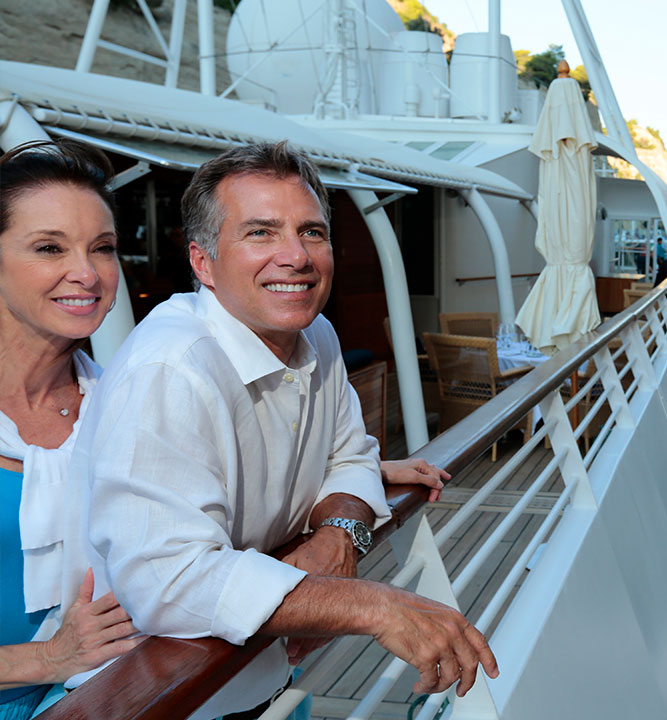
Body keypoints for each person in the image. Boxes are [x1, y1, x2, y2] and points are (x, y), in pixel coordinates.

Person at [71, 142, 496, 718]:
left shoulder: (316, 334)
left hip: (261, 669)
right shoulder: (170, 371)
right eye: (261, 233)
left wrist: (338, 538)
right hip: (154, 691)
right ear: (203, 262)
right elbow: (167, 580)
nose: (295, 256)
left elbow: (348, 457)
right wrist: (371, 605)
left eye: (312, 232)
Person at [0, 139, 142, 719]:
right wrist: (47, 660)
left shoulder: (128, 403)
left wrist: (346, 474)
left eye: (102, 249)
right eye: (49, 247)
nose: (85, 273)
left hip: (106, 694)